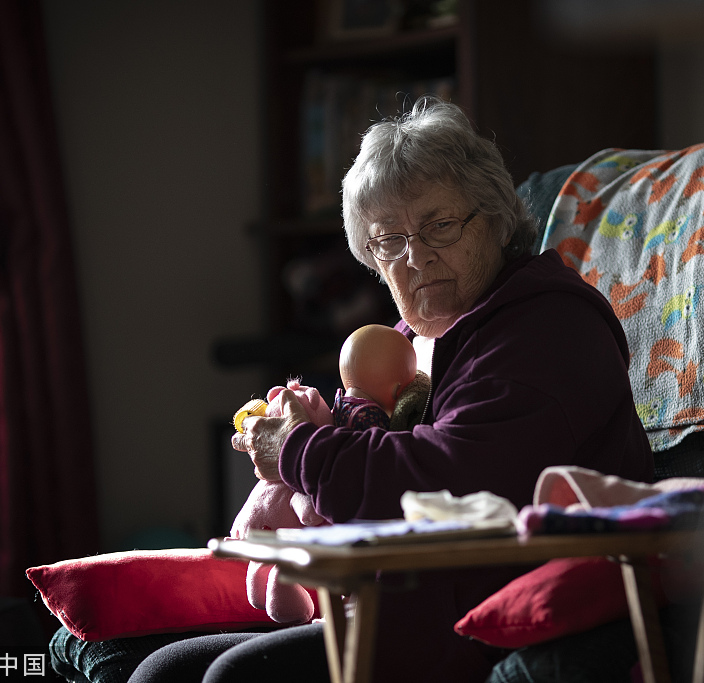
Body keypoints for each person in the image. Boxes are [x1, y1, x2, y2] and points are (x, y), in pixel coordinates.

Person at [129, 96, 653, 683]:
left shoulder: (550, 328)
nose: (416, 257)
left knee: (230, 677)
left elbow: (446, 481)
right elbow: (355, 460)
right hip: (390, 609)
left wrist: (299, 449)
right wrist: (309, 430)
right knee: (154, 668)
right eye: (389, 240)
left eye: (440, 226)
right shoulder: (401, 342)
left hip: (488, 621)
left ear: (496, 219)